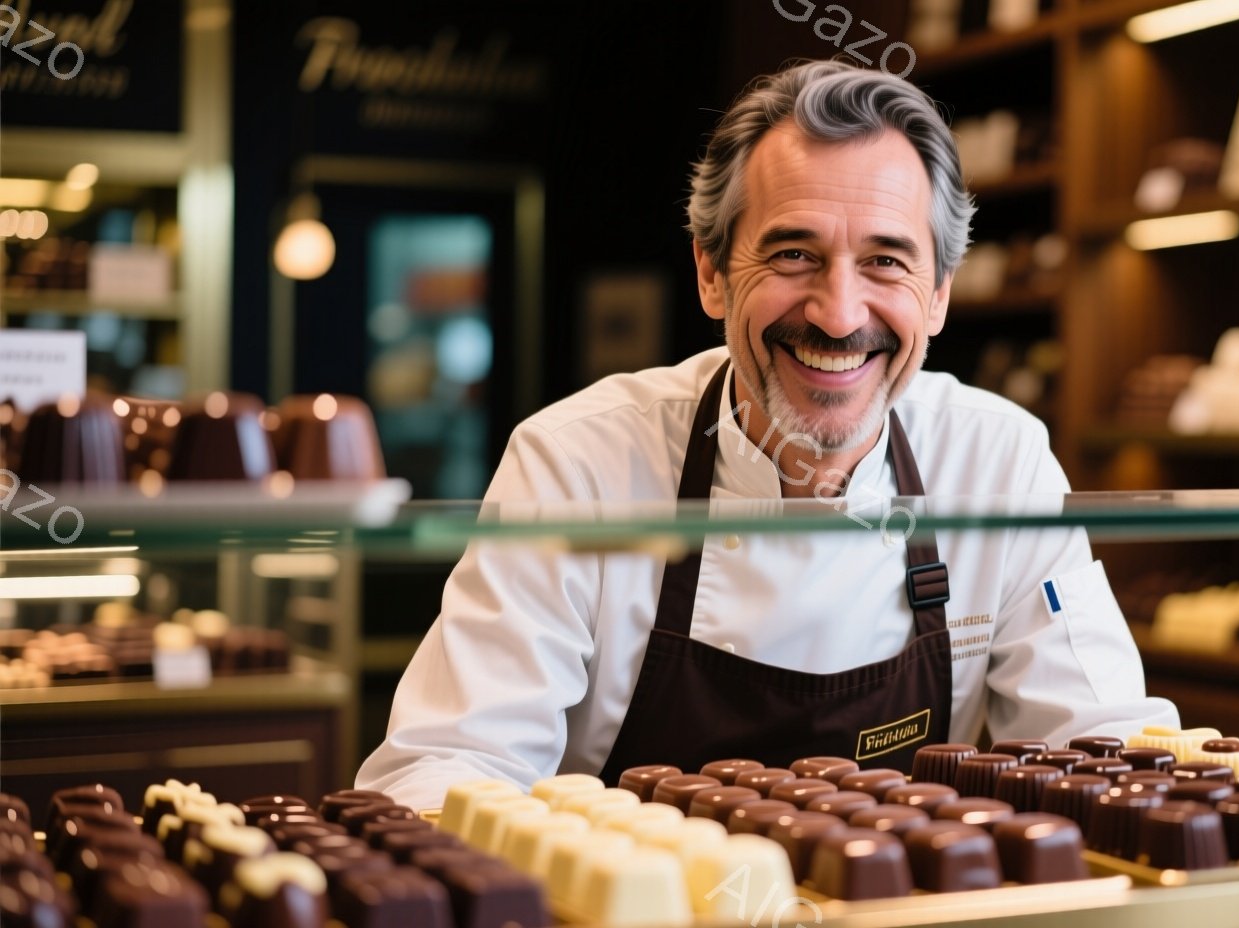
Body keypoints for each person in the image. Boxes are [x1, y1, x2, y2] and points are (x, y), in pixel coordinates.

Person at [357, 59, 1178, 810]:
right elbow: (446, 769)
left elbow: (1102, 749)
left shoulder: (999, 461)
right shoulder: (578, 464)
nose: (840, 315)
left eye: (887, 261)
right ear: (711, 273)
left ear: (938, 295)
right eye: (793, 254)